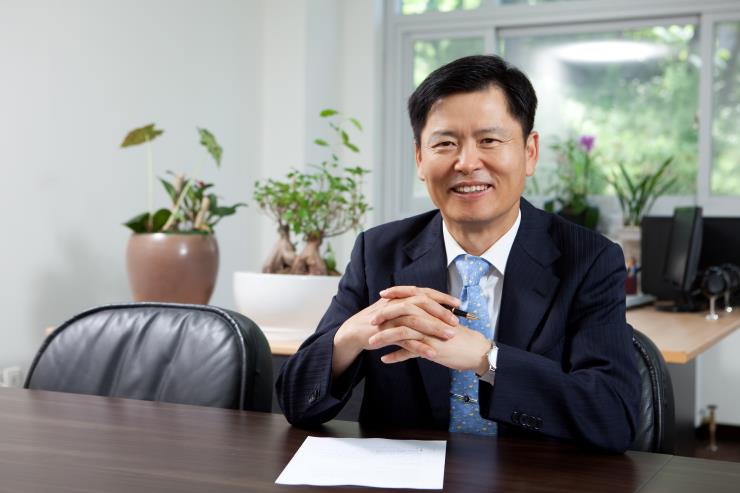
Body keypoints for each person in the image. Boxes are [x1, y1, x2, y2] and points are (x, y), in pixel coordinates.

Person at [276, 54, 640, 452]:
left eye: (489, 141)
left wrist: (488, 359)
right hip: (406, 475)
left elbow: (614, 418)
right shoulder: (378, 253)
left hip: (530, 477)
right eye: (445, 143)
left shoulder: (589, 260)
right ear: (420, 158)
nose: (466, 163)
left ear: (530, 152)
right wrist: (349, 336)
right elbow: (295, 402)